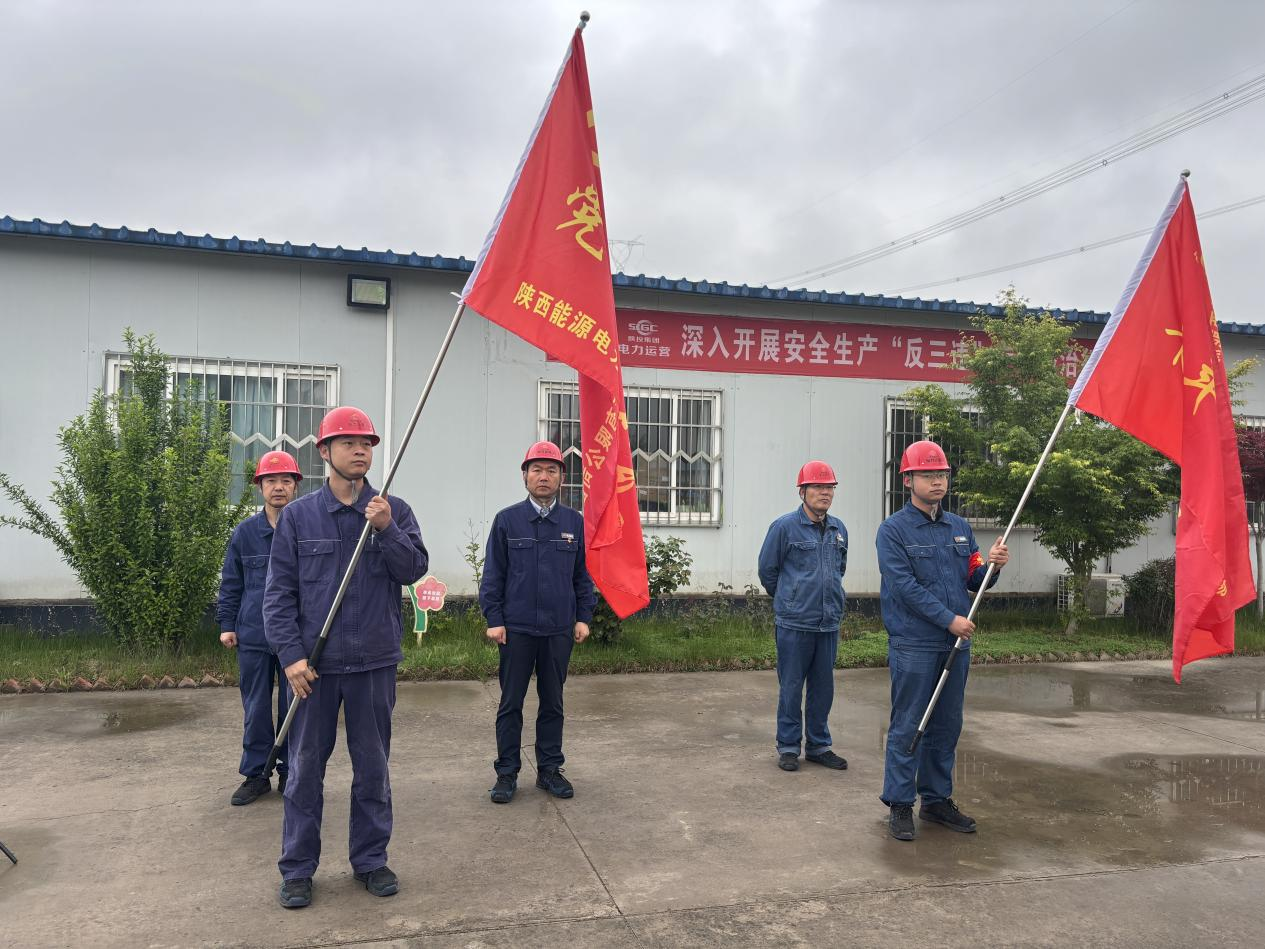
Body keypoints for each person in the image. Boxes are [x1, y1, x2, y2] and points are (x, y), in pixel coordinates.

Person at [263, 406, 428, 909]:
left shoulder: (392, 509)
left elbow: (413, 570)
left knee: (373, 769)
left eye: (367, 444)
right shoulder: (298, 517)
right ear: (324, 451)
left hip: (374, 662)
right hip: (314, 670)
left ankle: (371, 860)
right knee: (304, 770)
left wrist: (387, 529)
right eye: (349, 443)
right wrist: (291, 657)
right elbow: (278, 595)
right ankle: (297, 869)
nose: (360, 451)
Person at [876, 440, 1008, 842]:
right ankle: (900, 803)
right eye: (928, 475)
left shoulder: (960, 529)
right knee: (909, 724)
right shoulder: (893, 531)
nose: (937, 481)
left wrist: (993, 567)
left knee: (947, 725)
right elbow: (905, 588)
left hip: (954, 645)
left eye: (942, 474)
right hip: (915, 643)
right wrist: (949, 620)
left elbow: (974, 579)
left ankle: (935, 800)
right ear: (908, 480)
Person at [480, 441, 595, 805]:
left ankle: (549, 770)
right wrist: (494, 618)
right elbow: (493, 575)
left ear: (562, 477)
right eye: (536, 470)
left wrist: (583, 616)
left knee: (553, 702)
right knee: (510, 703)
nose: (543, 477)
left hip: (558, 628)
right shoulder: (507, 520)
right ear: (525, 476)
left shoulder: (574, 523)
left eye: (551, 470)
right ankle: (506, 773)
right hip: (516, 629)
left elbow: (583, 576)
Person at [216, 450, 301, 806]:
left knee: (295, 707)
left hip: (295, 637)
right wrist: (227, 624)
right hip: (253, 633)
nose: (278, 487)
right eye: (271, 481)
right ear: (260, 487)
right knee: (255, 707)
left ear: (295, 486)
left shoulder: (305, 529)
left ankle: (292, 773)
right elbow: (231, 581)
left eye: (285, 481)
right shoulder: (245, 533)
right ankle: (256, 775)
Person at [757, 461, 850, 773]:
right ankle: (788, 746)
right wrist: (791, 598)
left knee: (823, 689)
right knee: (791, 687)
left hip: (828, 622)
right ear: (802, 492)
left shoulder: (838, 529)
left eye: (830, 487)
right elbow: (768, 571)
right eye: (818, 487)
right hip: (794, 623)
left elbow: (839, 569)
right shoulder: (784, 527)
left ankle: (819, 746)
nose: (825, 493)